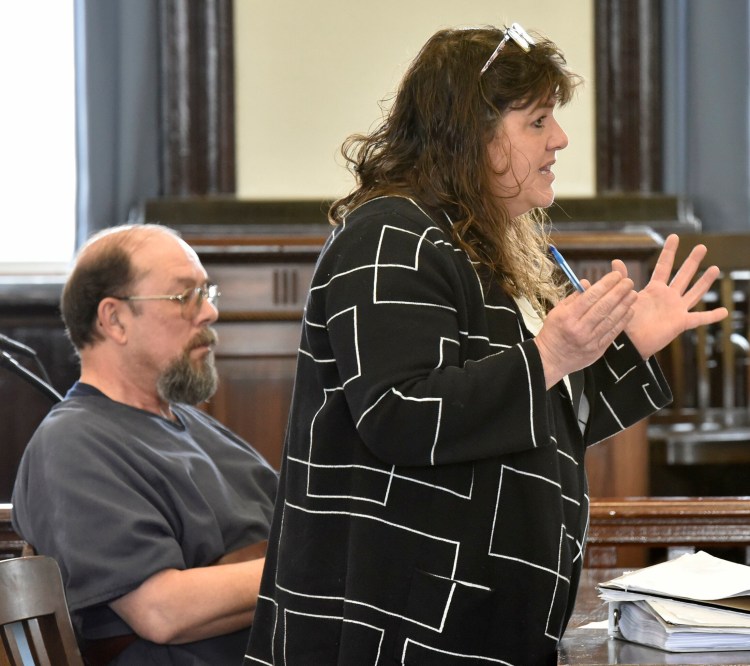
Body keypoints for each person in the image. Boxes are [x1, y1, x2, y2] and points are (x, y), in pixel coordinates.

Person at [245, 23, 727, 665]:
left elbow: (537, 420)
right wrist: (552, 354)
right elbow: (401, 414)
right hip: (402, 629)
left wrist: (626, 345)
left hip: (476, 623)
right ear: (469, 132)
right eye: (536, 122)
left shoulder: (486, 243)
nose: (559, 139)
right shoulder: (391, 236)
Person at [12, 224, 278, 665]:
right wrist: (320, 565)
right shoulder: (74, 444)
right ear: (114, 319)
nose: (208, 312)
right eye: (184, 297)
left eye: (207, 292)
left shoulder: (197, 426)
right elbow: (162, 610)